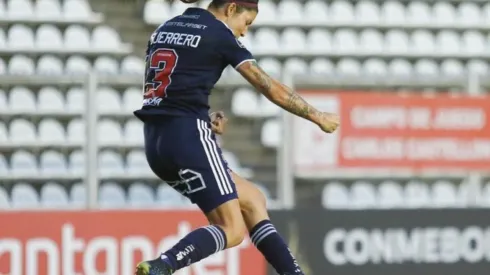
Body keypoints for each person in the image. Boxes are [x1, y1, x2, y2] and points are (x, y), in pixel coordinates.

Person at [133, 0, 340, 274]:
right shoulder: (218, 33)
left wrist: (202, 119)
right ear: (231, 9)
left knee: (253, 199)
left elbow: (168, 92)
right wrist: (318, 117)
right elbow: (270, 87)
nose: (243, 32)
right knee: (231, 230)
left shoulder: (162, 30)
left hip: (157, 144)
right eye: (247, 22)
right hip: (189, 138)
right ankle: (164, 265)